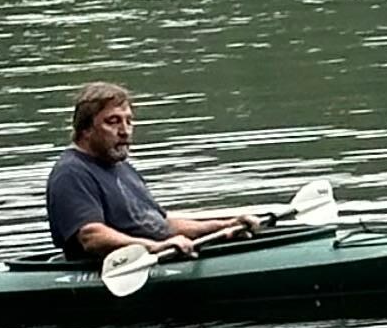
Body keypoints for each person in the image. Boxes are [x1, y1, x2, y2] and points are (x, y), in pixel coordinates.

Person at [44, 81, 261, 267]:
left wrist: (225, 226)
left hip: (164, 252)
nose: (125, 131)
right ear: (85, 130)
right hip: (120, 268)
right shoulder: (71, 172)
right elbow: (92, 236)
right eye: (113, 121)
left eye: (129, 121)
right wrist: (155, 247)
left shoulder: (122, 168)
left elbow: (162, 224)